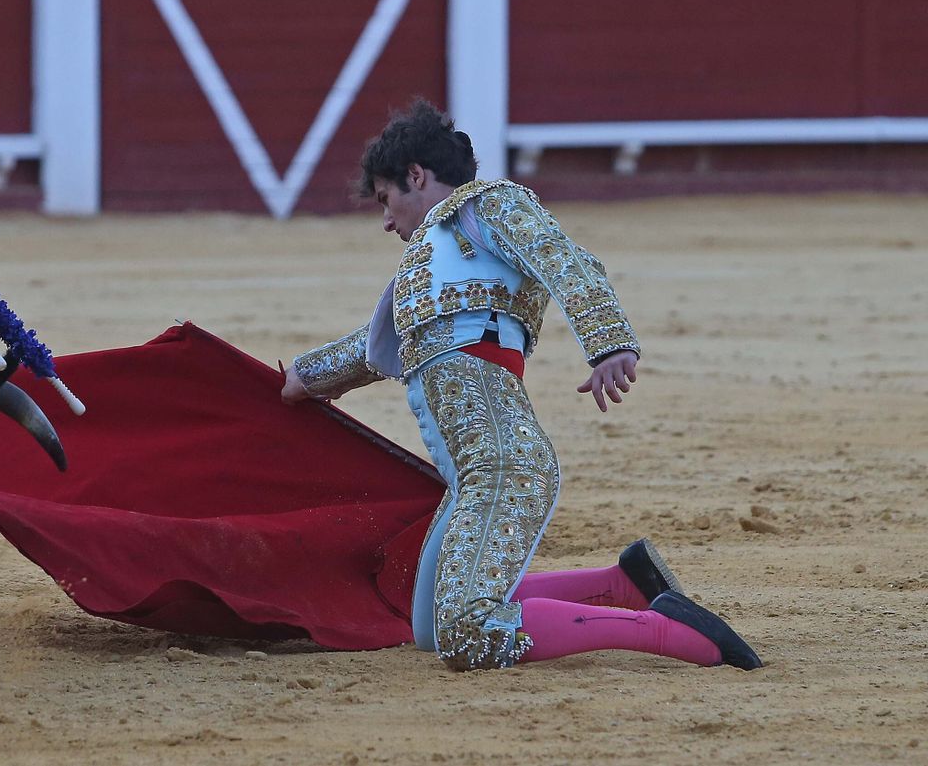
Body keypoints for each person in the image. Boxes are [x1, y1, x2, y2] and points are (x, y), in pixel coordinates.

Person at [281, 99, 763, 673]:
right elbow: (369, 350)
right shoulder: (426, 273)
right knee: (433, 627)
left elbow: (566, 261)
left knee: (469, 631)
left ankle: (677, 634)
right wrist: (300, 380)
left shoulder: (490, 207)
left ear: (416, 175)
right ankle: (623, 586)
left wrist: (611, 343)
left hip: (504, 462)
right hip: (474, 472)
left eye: (386, 199)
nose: (387, 221)